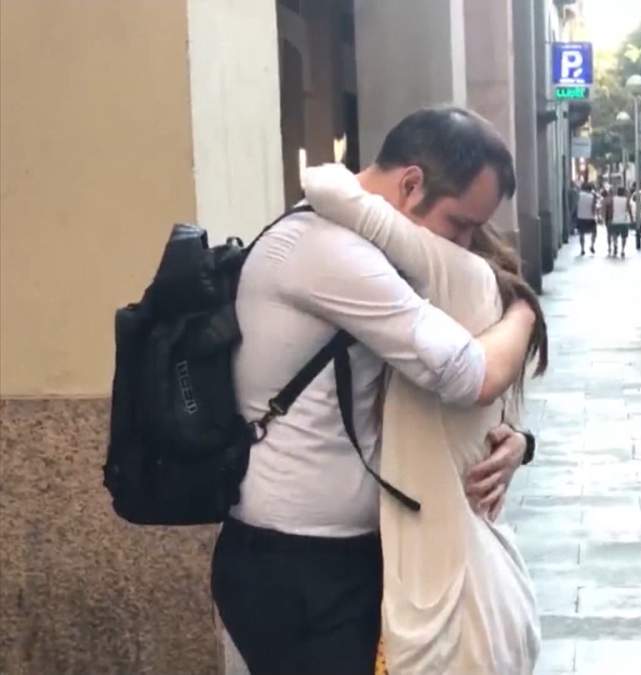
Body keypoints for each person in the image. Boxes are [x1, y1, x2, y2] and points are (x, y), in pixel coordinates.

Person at [215, 106, 539, 675]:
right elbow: (470, 375)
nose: (464, 245)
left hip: (353, 557)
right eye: (460, 224)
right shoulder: (325, 253)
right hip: (299, 569)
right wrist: (525, 314)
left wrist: (516, 442)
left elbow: (425, 400)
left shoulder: (371, 249)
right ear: (411, 184)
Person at [302, 149, 546, 673]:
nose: (458, 239)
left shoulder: (449, 268)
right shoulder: (488, 290)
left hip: (448, 608)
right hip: (486, 585)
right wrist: (526, 311)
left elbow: (323, 186)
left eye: (465, 226)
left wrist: (389, 184)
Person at [608, 186, 635, 257]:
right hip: (624, 221)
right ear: (623, 193)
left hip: (615, 220)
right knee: (624, 236)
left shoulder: (613, 199)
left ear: (617, 192)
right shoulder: (626, 200)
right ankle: (622, 250)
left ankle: (615, 244)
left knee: (614, 234)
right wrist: (632, 219)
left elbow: (611, 210)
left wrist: (610, 218)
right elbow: (629, 210)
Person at [575, 182, 598, 255]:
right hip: (590, 218)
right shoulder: (592, 196)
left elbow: (576, 205)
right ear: (590, 189)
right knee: (594, 232)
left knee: (581, 234)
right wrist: (595, 215)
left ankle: (582, 249)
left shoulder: (578, 195)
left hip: (580, 217)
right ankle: (592, 245)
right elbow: (593, 208)